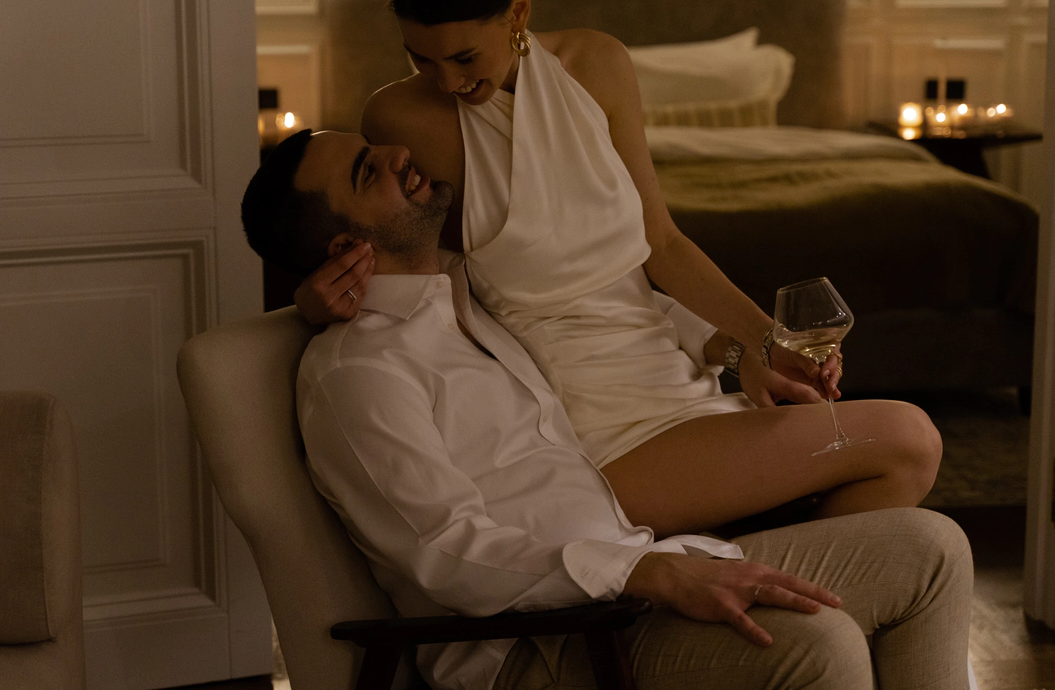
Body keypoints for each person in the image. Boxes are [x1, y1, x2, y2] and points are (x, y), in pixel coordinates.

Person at [240, 128, 972, 690]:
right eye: (368, 170)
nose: (400, 153)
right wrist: (642, 575)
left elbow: (613, 311)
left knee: (934, 549)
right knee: (819, 644)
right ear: (346, 245)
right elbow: (443, 551)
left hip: (641, 573)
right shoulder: (359, 373)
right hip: (547, 644)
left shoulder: (462, 293)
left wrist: (737, 350)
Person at [292, 0, 942, 538]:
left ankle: (744, 590)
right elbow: (402, 259)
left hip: (677, 379)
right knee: (907, 440)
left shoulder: (597, 63)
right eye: (421, 59)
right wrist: (311, 307)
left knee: (898, 468)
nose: (448, 82)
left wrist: (761, 346)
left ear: (517, 14)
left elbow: (662, 243)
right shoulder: (401, 116)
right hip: (591, 424)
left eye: (464, 57)